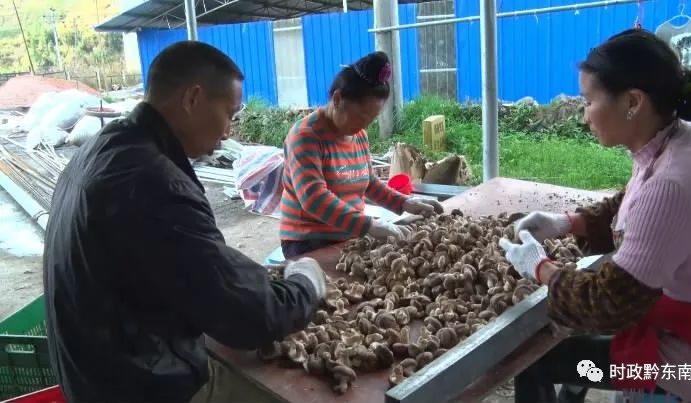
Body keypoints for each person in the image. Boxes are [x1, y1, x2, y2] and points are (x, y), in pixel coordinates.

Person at [43, 41, 326, 403]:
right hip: (135, 385)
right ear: (193, 98)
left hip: (93, 372)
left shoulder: (105, 147)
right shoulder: (151, 181)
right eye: (229, 113)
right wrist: (305, 284)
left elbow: (189, 261)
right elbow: (248, 318)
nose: (227, 132)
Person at [498, 29, 691, 403]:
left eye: (587, 100)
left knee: (533, 358)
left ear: (633, 101)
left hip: (687, 362)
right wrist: (569, 222)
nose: (584, 116)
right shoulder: (682, 142)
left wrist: (540, 268)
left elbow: (605, 306)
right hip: (690, 321)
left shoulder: (672, 183)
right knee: (572, 338)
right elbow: (634, 201)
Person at [280, 51, 443, 258]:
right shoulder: (305, 136)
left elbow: (369, 183)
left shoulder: (358, 135)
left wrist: (405, 203)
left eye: (371, 119)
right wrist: (369, 226)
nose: (363, 126)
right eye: (359, 116)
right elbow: (314, 198)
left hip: (351, 232)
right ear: (337, 99)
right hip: (308, 239)